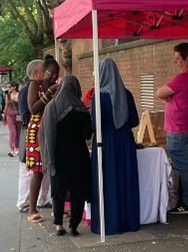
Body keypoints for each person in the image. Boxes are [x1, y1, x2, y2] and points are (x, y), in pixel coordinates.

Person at [90, 57, 140, 235]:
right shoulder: (126, 94)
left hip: (106, 143)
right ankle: (129, 221)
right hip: (125, 142)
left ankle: (111, 223)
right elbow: (134, 120)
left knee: (108, 183)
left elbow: (94, 125)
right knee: (125, 180)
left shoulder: (98, 96)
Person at [156, 42, 188, 214]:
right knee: (183, 165)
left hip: (178, 129)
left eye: (178, 59)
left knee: (183, 167)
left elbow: (160, 92)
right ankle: (185, 199)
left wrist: (170, 98)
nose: (176, 63)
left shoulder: (184, 78)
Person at [40, 75, 92, 237]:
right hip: (78, 155)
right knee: (78, 190)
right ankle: (74, 225)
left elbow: (45, 134)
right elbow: (87, 135)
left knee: (58, 190)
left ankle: (58, 225)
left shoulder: (52, 107)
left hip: (59, 155)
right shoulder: (82, 110)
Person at [25, 57, 60, 223]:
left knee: (55, 169)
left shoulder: (57, 87)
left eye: (56, 74)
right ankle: (32, 209)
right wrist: (49, 93)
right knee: (38, 171)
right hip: (38, 130)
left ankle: (57, 207)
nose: (54, 77)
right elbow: (33, 108)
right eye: (51, 73)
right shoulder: (35, 85)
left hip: (53, 128)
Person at [16, 62, 51, 213]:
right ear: (36, 73)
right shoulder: (27, 89)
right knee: (28, 170)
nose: (46, 73)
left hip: (41, 131)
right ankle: (24, 202)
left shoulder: (42, 87)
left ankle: (42, 200)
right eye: (44, 70)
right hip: (31, 133)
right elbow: (26, 113)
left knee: (42, 169)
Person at [5, 81, 20, 157]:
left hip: (18, 115)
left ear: (14, 87)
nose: (9, 88)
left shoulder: (19, 95)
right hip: (9, 115)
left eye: (10, 86)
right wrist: (4, 116)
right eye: (8, 87)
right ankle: (11, 148)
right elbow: (6, 106)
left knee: (18, 132)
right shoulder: (8, 96)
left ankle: (17, 147)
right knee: (12, 131)